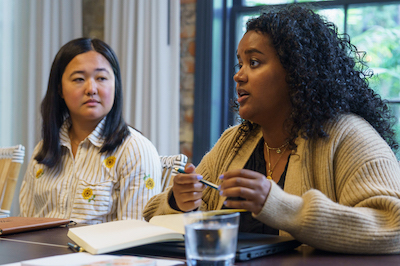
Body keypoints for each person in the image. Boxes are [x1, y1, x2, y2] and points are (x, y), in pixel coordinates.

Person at [143, 4, 400, 254]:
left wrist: (281, 206)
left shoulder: (349, 135)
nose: (239, 76)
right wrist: (179, 201)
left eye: (254, 62)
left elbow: (393, 226)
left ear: (297, 71)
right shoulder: (235, 141)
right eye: (239, 64)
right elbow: (151, 213)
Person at [19, 38, 162, 224]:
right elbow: (26, 226)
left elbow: (135, 237)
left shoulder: (135, 150)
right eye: (79, 79)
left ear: (115, 86)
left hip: (105, 254)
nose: (91, 89)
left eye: (101, 78)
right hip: (44, 253)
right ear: (60, 89)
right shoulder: (43, 151)